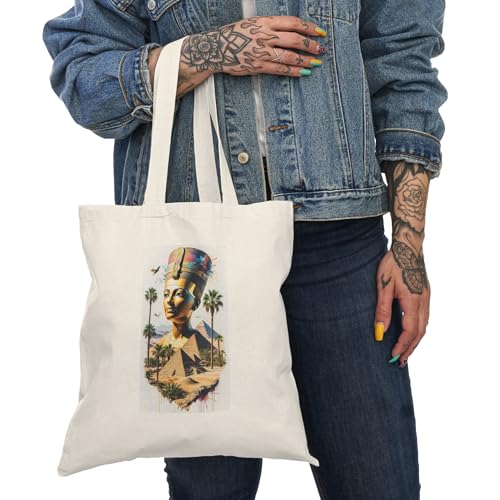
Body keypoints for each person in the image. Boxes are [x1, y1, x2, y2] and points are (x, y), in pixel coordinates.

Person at [42, 0, 447, 497]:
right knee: (210, 488)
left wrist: (409, 244)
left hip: (338, 245)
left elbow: (403, 63)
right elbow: (84, 79)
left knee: (378, 481)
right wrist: (208, 52)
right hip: (195, 257)